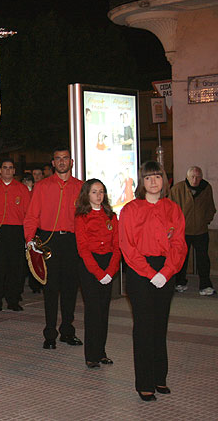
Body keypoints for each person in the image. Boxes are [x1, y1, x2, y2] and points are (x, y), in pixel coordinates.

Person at [119, 161, 186, 401]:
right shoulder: (130, 209)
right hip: (140, 272)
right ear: (142, 182)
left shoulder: (173, 208)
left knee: (160, 325)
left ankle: (160, 377)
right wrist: (150, 273)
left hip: (166, 270)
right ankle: (144, 382)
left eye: (157, 176)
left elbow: (179, 243)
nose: (153, 182)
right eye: (148, 178)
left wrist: (167, 272)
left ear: (164, 179)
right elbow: (127, 246)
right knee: (144, 327)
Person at [24, 148, 83, 349]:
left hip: (73, 242)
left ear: (71, 162)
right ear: (53, 163)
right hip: (49, 241)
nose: (62, 162)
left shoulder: (81, 187)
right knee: (50, 289)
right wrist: (30, 240)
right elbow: (32, 216)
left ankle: (67, 330)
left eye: (65, 158)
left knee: (70, 289)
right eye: (58, 159)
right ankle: (50, 333)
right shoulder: (42, 186)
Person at [74, 179, 121, 368]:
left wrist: (110, 271)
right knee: (93, 310)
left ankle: (101, 351)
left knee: (103, 310)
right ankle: (91, 355)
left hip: (108, 264)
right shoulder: (81, 217)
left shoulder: (112, 216)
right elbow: (83, 249)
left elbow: (117, 246)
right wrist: (99, 273)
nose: (98, 195)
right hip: (89, 266)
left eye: (101, 191)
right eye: (94, 192)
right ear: (87, 194)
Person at [0, 159, 31, 312]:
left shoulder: (22, 189)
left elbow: (28, 213)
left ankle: (13, 300)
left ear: (14, 171)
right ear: (0, 171)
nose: (8, 171)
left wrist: (28, 235)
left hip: (16, 230)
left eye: (11, 168)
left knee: (15, 267)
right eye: (5, 168)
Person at [170, 166, 216, 295]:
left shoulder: (206, 188)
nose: (195, 180)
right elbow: (170, 209)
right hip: (183, 231)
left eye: (198, 177)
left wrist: (206, 220)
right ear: (187, 177)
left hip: (201, 230)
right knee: (182, 259)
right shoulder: (177, 189)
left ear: (201, 178)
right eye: (192, 177)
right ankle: (180, 283)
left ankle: (205, 285)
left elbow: (211, 207)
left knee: (203, 259)